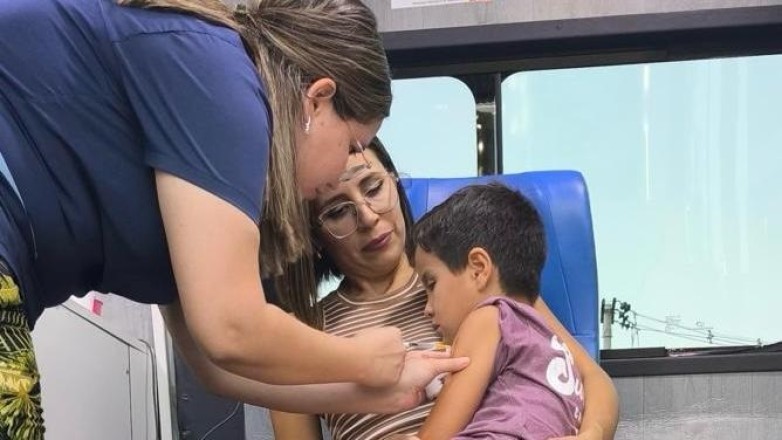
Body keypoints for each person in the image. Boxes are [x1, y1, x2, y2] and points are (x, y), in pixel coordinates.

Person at [0, 1, 466, 438]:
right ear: (317, 100)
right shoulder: (222, 78)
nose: (345, 166)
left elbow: (217, 366)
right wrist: (363, 360)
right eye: (352, 145)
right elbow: (230, 329)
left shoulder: (207, 165)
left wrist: (375, 393)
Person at [270, 140, 618, 440]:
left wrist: (590, 435)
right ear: (314, 236)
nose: (368, 216)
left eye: (373, 187)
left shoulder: (473, 280)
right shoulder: (300, 333)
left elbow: (593, 380)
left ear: (394, 184)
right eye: (337, 212)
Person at [411, 183, 584, 439]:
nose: (427, 309)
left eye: (431, 284)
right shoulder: (555, 347)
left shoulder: (487, 318)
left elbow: (435, 436)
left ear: (478, 269)